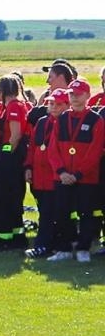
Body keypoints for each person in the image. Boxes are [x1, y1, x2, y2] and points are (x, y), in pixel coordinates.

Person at [45, 79, 103, 262]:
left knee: (86, 213)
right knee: (62, 212)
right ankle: (64, 248)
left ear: (87, 96)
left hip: (86, 178)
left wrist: (78, 174)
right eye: (71, 94)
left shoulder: (96, 120)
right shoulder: (61, 119)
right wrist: (61, 172)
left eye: (78, 94)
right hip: (62, 177)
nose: (74, 98)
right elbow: (53, 148)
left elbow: (95, 151)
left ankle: (84, 248)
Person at [0, 79, 30, 251]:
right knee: (10, 198)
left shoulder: (14, 107)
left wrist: (5, 153)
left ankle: (3, 240)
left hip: (9, 157)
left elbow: (16, 135)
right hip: (8, 155)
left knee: (2, 199)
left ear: (1, 90)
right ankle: (15, 238)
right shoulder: (11, 106)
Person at [26, 91, 68, 259]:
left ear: (66, 105)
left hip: (55, 176)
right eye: (51, 104)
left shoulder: (66, 123)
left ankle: (44, 245)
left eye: (58, 104)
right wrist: (28, 167)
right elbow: (33, 147)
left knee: (52, 214)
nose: (54, 107)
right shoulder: (42, 122)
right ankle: (49, 245)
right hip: (40, 176)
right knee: (45, 211)